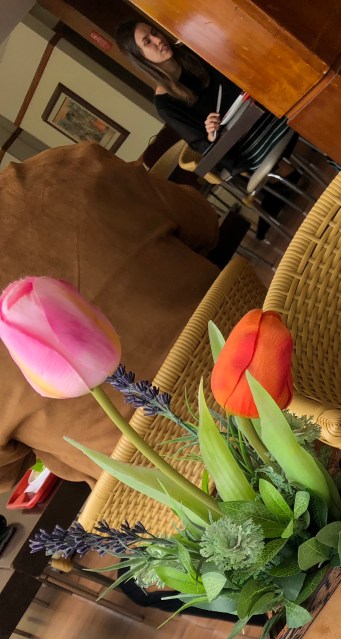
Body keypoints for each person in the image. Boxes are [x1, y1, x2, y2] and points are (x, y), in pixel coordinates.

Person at [0, 142, 222, 491]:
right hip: (298, 357)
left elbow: (7, 473)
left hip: (192, 490)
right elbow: (204, 223)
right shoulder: (60, 170)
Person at [115, 19, 292, 177]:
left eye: (155, 32)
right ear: (140, 57)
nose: (158, 40)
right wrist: (211, 132)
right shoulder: (165, 104)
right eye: (147, 42)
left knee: (288, 92)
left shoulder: (193, 51)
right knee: (289, 116)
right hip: (245, 141)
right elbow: (203, 146)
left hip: (264, 110)